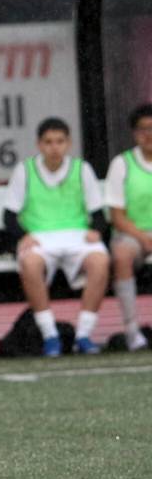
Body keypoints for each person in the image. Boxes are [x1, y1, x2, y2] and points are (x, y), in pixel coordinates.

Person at [2, 118, 110, 356]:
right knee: (30, 262)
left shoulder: (82, 169)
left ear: (69, 143)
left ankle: (83, 334)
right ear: (39, 144)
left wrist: (96, 231)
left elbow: (97, 214)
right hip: (40, 238)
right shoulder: (25, 170)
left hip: (77, 236)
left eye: (60, 141)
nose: (54, 147)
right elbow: (9, 215)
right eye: (48, 142)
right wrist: (24, 236)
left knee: (100, 261)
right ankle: (50, 334)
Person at [106, 103, 152, 351]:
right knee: (122, 254)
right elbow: (116, 216)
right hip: (132, 235)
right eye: (143, 129)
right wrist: (142, 237)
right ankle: (133, 333)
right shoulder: (122, 164)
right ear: (135, 134)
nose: (149, 135)